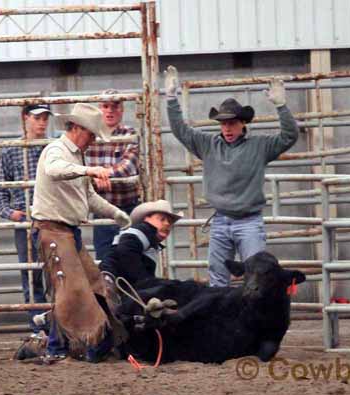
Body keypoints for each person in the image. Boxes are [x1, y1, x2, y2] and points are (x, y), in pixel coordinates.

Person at [164, 66, 299, 287]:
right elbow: (180, 129)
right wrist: (171, 98)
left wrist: (282, 106)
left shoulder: (260, 145)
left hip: (248, 220)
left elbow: (290, 136)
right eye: (224, 123)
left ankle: (254, 320)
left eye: (232, 122)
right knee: (217, 276)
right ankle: (221, 320)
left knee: (257, 278)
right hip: (221, 219)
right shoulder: (208, 144)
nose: (227, 127)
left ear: (242, 123)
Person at [30, 103, 132, 363]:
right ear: (76, 128)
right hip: (52, 231)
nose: (93, 140)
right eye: (90, 134)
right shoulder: (55, 151)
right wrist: (88, 170)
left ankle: (75, 345)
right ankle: (57, 348)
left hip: (66, 232)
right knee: (72, 291)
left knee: (91, 286)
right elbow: (54, 170)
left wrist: (116, 214)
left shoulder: (76, 157)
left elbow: (88, 196)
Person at [0, 104, 52, 336]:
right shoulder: (11, 150)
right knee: (32, 276)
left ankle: (58, 325)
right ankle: (38, 327)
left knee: (56, 273)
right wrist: (11, 213)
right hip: (26, 221)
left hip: (50, 218)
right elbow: (1, 192)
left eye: (45, 118)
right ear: (25, 118)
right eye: (37, 118)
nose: (42, 122)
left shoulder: (53, 148)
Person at [85, 89, 140, 261]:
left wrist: (101, 174)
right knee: (105, 262)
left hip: (128, 207)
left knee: (131, 261)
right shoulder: (89, 136)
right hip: (102, 211)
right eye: (105, 106)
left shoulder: (130, 134)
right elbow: (80, 169)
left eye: (115, 106)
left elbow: (128, 168)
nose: (110, 111)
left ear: (122, 109)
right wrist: (93, 177)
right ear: (99, 108)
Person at [99, 199, 183, 287]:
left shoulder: (143, 236)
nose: (167, 224)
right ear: (146, 219)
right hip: (116, 281)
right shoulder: (144, 230)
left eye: (169, 222)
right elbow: (126, 251)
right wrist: (144, 282)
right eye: (162, 219)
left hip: (114, 279)